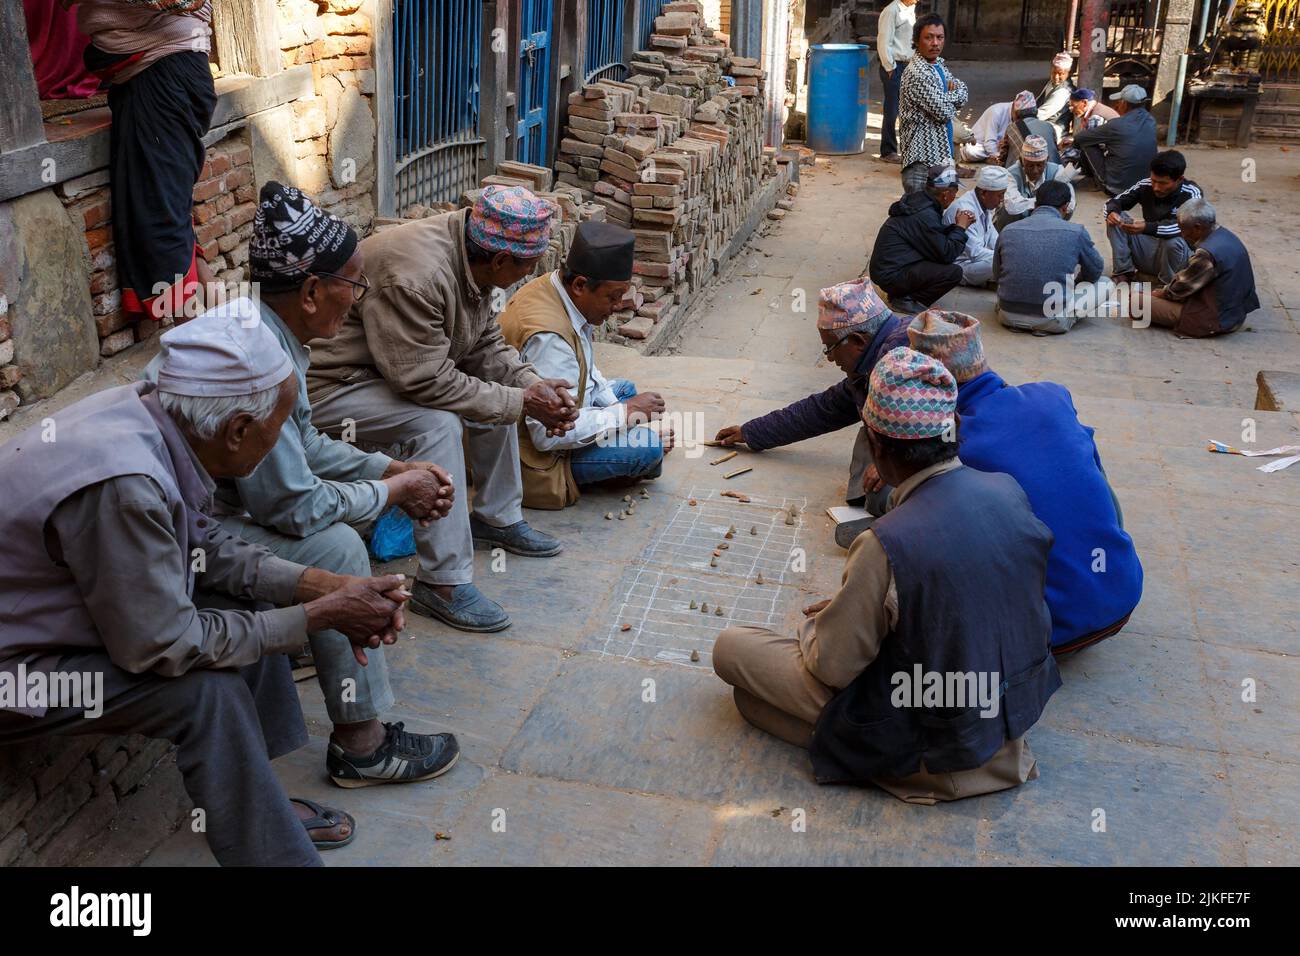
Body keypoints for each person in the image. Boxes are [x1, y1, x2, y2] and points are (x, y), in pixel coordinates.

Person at [0, 315, 429, 865]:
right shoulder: (125, 485)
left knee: (249, 606)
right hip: (19, 676)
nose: (282, 443)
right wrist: (318, 617)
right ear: (237, 431)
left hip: (64, 624)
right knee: (207, 693)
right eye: (279, 432)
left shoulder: (153, 417)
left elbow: (203, 544)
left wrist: (315, 585)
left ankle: (259, 799)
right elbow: (162, 645)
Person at [142, 181, 461, 788]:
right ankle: (362, 744)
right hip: (185, 528)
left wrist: (387, 471)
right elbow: (291, 505)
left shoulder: (269, 329)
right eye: (355, 285)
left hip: (204, 513)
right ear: (312, 291)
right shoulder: (261, 356)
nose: (357, 298)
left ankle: (321, 643)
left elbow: (305, 446)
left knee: (349, 519)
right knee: (335, 544)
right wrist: (394, 493)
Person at [711, 347, 1061, 803]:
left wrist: (830, 620)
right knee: (753, 701)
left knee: (733, 651)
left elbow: (832, 667)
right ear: (952, 431)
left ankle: (907, 767)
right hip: (1007, 714)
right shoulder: (1007, 490)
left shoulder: (885, 542)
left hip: (930, 731)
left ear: (878, 446)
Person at [306, 186, 579, 634]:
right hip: (334, 386)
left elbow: (482, 343)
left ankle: (497, 517)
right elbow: (424, 381)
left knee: (500, 393)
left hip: (390, 369)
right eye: (528, 264)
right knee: (438, 421)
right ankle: (442, 581)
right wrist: (519, 401)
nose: (531, 272)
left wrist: (531, 384)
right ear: (499, 261)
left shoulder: (474, 259)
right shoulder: (419, 275)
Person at [898, 311, 1143, 655]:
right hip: (1123, 593)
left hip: (1049, 630)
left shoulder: (959, 445)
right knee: (1080, 469)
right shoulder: (1052, 395)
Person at [499, 222, 672, 505]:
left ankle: (628, 436)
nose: (617, 306)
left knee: (624, 389)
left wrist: (623, 410)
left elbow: (588, 370)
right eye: (612, 297)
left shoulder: (558, 288)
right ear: (580, 285)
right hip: (534, 455)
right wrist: (627, 414)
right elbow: (547, 437)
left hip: (561, 413)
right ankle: (627, 455)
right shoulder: (549, 339)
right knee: (647, 447)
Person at [68, 0, 217, 321]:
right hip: (160, 72)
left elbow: (182, 1)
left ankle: (199, 351)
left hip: (164, 73)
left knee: (163, 218)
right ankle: (230, 330)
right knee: (172, 208)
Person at [713, 278, 909, 515]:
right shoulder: (870, 366)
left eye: (830, 348)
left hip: (949, 454)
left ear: (858, 341)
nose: (829, 359)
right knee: (871, 442)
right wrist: (752, 431)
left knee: (885, 494)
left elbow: (957, 435)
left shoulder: (905, 360)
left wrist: (900, 462)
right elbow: (827, 408)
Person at [1129, 198, 1260, 337]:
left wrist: (1157, 293)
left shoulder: (1206, 254)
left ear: (1197, 227)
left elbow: (1179, 289)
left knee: (1137, 303)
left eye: (1182, 228)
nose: (1182, 234)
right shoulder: (1225, 234)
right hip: (1236, 313)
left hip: (1218, 319)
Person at [994, 180, 1105, 335]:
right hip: (1052, 319)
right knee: (1106, 283)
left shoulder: (1008, 230)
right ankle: (1045, 325)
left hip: (1007, 315)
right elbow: (1095, 270)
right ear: (1066, 207)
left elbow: (997, 274)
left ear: (1035, 204)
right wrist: (1075, 283)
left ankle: (1022, 321)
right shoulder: (1076, 232)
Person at [869, 164, 972, 314]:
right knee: (953, 273)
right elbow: (947, 254)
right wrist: (960, 228)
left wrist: (954, 228)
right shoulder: (924, 214)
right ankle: (905, 299)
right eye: (954, 194)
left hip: (888, 269)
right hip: (891, 274)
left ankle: (901, 293)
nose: (953, 198)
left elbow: (933, 239)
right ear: (945, 193)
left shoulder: (920, 202)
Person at [898, 12, 971, 193]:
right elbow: (944, 112)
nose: (935, 43)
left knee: (936, 211)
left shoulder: (937, 64)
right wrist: (950, 94)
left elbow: (964, 92)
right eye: (929, 38)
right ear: (916, 40)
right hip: (921, 158)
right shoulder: (917, 72)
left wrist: (944, 95)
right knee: (918, 212)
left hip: (940, 156)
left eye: (940, 37)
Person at [1104, 149, 1201, 284]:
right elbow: (1114, 202)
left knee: (1173, 241)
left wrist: (1147, 227)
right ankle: (1124, 272)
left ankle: (1168, 284)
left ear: (1179, 180)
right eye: (1154, 180)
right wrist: (1112, 213)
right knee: (1116, 220)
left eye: (1163, 183)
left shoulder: (1192, 193)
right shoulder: (1145, 185)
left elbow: (1187, 228)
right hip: (1149, 252)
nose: (1156, 187)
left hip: (1178, 259)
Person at [1073, 84, 1158, 197]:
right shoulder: (1151, 120)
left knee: (1087, 143)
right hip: (1145, 185)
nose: (1116, 104)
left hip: (1116, 188)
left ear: (1124, 103)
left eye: (1119, 101)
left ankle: (1091, 180)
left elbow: (1080, 138)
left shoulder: (1117, 125)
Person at [942, 165, 1007, 287]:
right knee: (995, 262)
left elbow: (995, 240)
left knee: (1006, 257)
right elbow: (975, 253)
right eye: (1000, 195)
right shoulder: (966, 210)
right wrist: (1005, 256)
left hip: (973, 262)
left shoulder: (984, 206)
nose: (1002, 200)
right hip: (959, 266)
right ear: (983, 193)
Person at [875, 0, 919, 164]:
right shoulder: (892, 10)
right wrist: (889, 67)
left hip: (907, 65)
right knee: (892, 110)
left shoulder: (909, 9)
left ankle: (907, 151)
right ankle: (888, 151)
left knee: (907, 109)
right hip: (894, 66)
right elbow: (883, 40)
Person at [995, 135, 1065, 231]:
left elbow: (1070, 205)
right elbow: (1012, 206)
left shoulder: (1057, 171)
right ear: (1022, 161)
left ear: (1047, 160)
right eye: (1030, 166)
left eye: (1039, 165)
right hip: (1015, 228)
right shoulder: (1011, 174)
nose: (1035, 171)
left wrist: (1030, 204)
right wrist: (1046, 203)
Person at [958, 93, 1026, 164]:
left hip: (998, 145)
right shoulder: (996, 112)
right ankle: (989, 158)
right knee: (972, 152)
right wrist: (999, 158)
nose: (1019, 119)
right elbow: (989, 142)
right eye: (1018, 116)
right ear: (1014, 109)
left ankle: (991, 158)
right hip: (981, 144)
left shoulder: (1019, 115)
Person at [1002, 93, 1061, 169]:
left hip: (1027, 174)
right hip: (1053, 172)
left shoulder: (1012, 127)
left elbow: (1003, 157)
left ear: (1016, 112)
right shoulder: (1049, 126)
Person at [1036, 52, 1076, 142]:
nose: (1056, 77)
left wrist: (1024, 118)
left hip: (1055, 127)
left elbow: (1042, 114)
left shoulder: (1064, 91)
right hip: (1043, 122)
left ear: (1068, 73)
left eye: (1060, 74)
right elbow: (1039, 100)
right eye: (1054, 72)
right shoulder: (1051, 82)